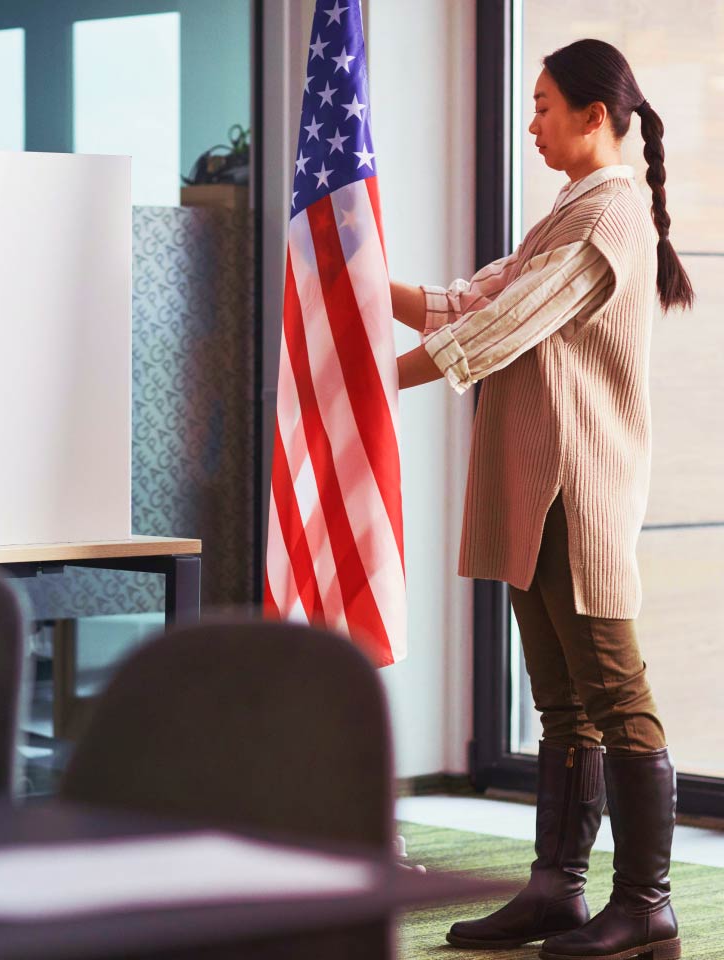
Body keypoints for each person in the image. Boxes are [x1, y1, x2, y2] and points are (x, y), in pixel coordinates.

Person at [389, 38, 693, 960]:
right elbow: (472, 300)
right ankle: (557, 891)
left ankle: (646, 904)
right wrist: (359, 289)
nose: (531, 123)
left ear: (595, 116)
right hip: (535, 484)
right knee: (561, 703)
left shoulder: (612, 219)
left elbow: (505, 325)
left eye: (545, 104)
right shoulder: (570, 211)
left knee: (613, 690)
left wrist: (371, 384)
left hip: (578, 487)